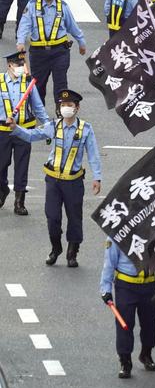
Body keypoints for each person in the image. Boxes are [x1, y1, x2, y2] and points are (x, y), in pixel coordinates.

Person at [6, 89, 101, 267]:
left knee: (74, 218)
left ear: (77, 108)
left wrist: (97, 177)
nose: (65, 108)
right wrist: (15, 129)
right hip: (53, 181)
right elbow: (32, 135)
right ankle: (55, 247)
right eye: (63, 105)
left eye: (69, 105)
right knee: (52, 217)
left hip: (73, 181)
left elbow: (94, 154)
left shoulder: (86, 129)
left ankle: (72, 253)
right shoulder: (53, 126)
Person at [100, 240, 155, 379]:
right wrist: (105, 288)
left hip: (149, 284)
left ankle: (146, 354)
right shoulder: (119, 232)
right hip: (126, 285)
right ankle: (125, 361)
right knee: (125, 323)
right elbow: (109, 262)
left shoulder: (154, 229)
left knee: (150, 322)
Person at [17, 0, 86, 105]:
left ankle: (61, 110)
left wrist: (81, 42)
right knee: (39, 85)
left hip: (60, 52)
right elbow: (24, 24)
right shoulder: (32, 5)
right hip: (38, 53)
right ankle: (39, 109)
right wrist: (20, 41)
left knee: (61, 84)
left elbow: (73, 26)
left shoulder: (63, 6)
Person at [0, 50, 48, 216]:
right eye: (18, 65)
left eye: (22, 64)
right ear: (9, 65)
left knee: (22, 166)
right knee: (1, 164)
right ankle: (2, 189)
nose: (21, 67)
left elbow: (38, 107)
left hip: (24, 131)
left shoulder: (28, 84)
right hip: (2, 131)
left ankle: (19, 201)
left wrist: (48, 126)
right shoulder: (0, 82)